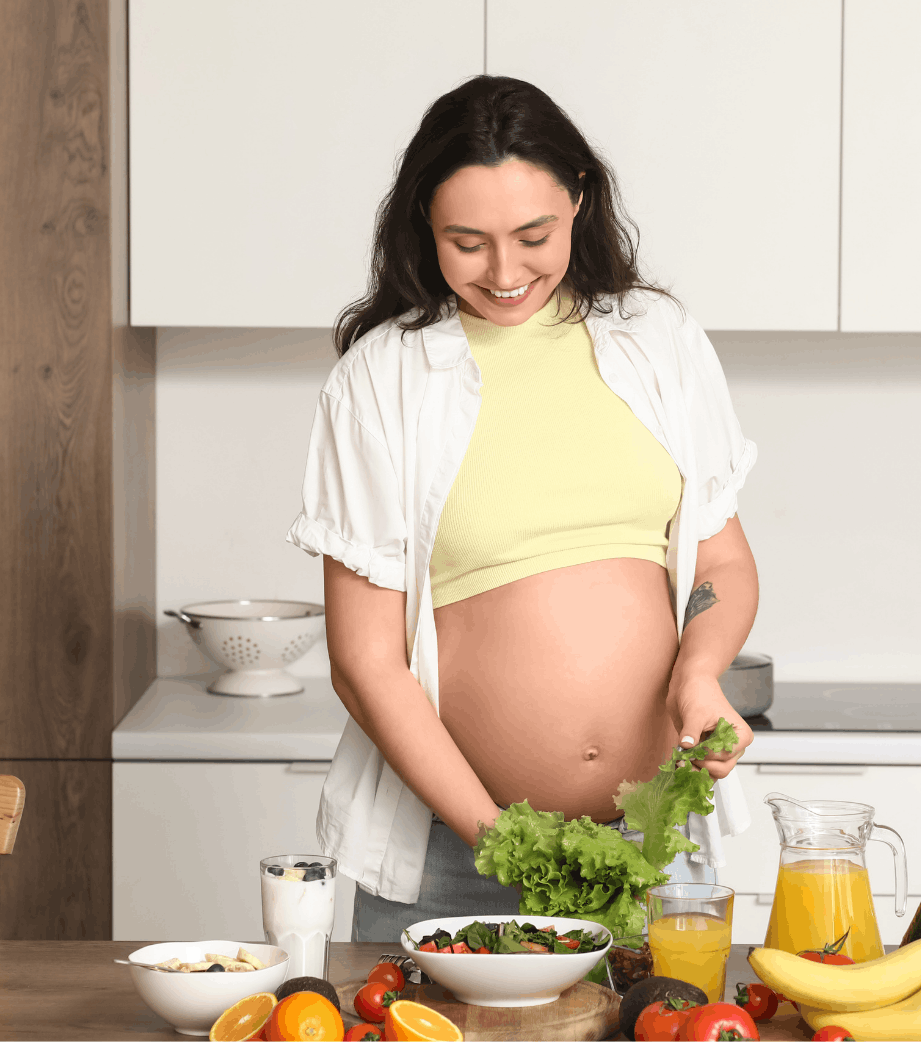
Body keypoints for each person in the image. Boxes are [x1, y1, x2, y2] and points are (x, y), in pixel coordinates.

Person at [287, 75, 759, 941]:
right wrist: (500, 840)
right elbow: (365, 664)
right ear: (422, 229)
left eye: (532, 236)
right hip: (453, 863)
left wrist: (699, 674)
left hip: (657, 850)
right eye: (466, 243)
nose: (504, 274)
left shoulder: (660, 341)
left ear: (579, 201)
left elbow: (720, 562)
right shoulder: (380, 381)